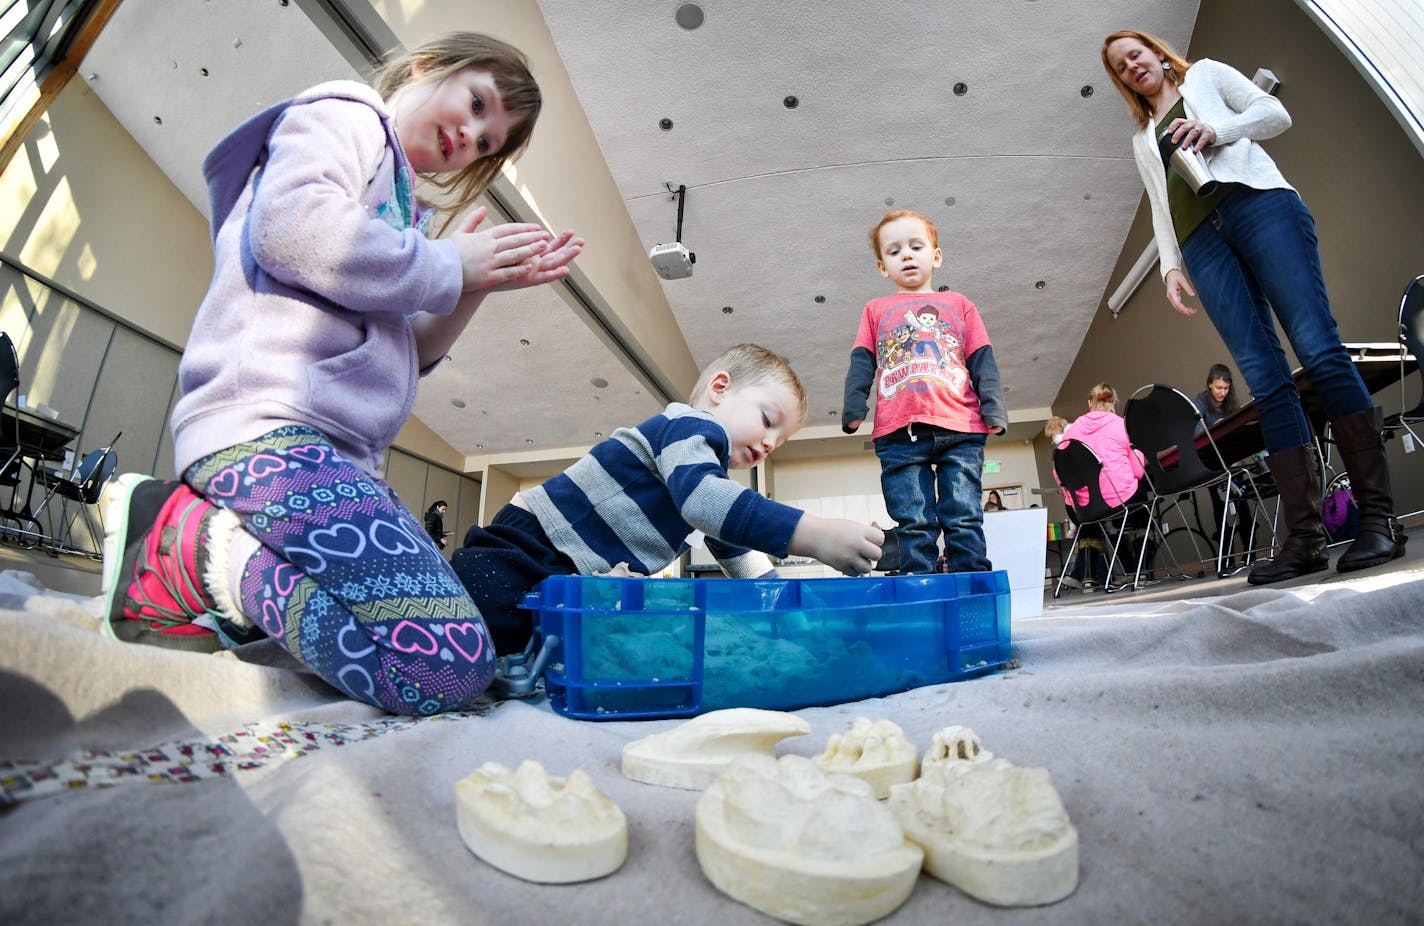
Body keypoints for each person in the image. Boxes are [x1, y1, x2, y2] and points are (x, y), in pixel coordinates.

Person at [97, 32, 584, 716]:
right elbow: (293, 229)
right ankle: (195, 548)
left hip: (337, 459)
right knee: (446, 669)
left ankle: (233, 583)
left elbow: (410, 354)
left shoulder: (405, 216)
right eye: (476, 104)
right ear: (426, 67)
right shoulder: (349, 113)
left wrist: (472, 283)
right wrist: (448, 266)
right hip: (270, 433)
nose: (470, 136)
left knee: (457, 640)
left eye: (485, 143)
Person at [1102, 30, 1404, 585]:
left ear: (1155, 52)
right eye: (1121, 67)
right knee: (1265, 381)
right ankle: (1305, 539)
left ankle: (1379, 519)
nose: (1132, 67)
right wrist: (1170, 266)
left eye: (1136, 54)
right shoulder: (1144, 137)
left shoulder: (1206, 75)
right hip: (1202, 245)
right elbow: (1160, 202)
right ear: (1122, 81)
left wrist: (1218, 129)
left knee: (1319, 350)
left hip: (1260, 206)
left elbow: (1274, 114)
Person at [454, 344, 884, 654]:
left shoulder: (697, 473)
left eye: (781, 440)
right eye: (768, 420)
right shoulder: (692, 427)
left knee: (534, 647)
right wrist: (814, 534)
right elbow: (704, 503)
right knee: (469, 629)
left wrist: (784, 611)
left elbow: (740, 557)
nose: (771, 442)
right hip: (532, 546)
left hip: (571, 573)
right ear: (720, 388)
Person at [842, 210, 1007, 575]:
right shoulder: (875, 310)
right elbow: (862, 361)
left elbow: (982, 360)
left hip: (960, 428)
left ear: (936, 256)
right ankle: (923, 591)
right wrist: (854, 404)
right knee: (914, 524)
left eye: (916, 247)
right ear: (883, 266)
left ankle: (972, 594)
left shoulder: (960, 305)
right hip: (899, 434)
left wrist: (994, 409)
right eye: (895, 251)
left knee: (963, 517)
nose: (907, 255)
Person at [1060, 383, 1155, 579]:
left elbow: (1060, 471)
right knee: (1141, 508)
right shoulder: (1121, 425)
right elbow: (1137, 472)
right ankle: (1141, 570)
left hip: (1087, 506)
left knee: (1091, 520)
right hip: (1120, 499)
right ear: (1112, 403)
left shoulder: (1071, 431)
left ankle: (1087, 577)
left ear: (1089, 403)